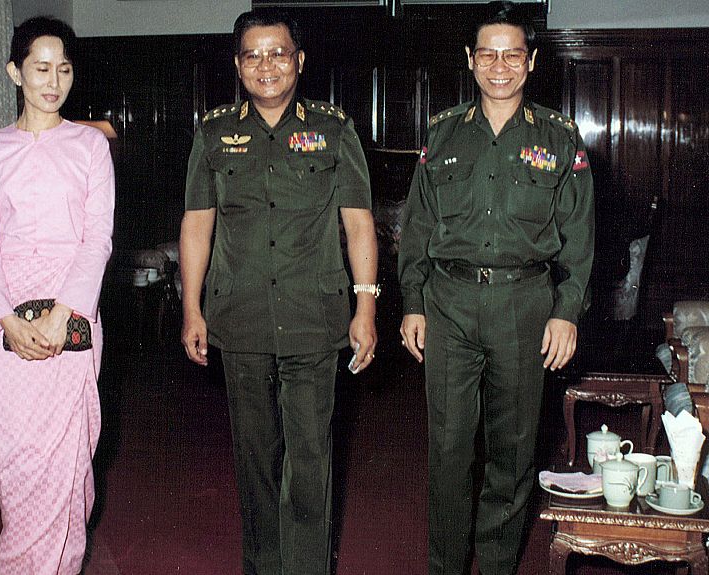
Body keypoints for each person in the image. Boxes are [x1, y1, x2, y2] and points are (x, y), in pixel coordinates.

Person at [398, 2, 595, 574]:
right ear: (470, 60)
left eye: (513, 54)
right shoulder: (442, 133)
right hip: (449, 304)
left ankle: (498, 566)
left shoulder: (559, 137)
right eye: (488, 53)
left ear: (531, 62)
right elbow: (416, 227)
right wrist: (412, 302)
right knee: (449, 453)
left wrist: (567, 311)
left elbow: (580, 238)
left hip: (524, 305)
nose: (500, 66)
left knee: (512, 456)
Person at [180, 9, 378, 575]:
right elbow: (197, 224)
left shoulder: (335, 129)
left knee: (311, 458)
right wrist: (192, 308)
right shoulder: (213, 132)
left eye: (278, 53)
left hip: (314, 318)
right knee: (255, 459)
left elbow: (358, 223)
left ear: (299, 61)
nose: (266, 65)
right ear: (239, 66)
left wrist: (365, 307)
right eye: (253, 55)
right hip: (239, 318)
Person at [0, 16, 114, 574]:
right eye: (41, 68)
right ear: (15, 72)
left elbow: (96, 238)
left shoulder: (88, 147)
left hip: (70, 314)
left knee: (63, 467)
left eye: (65, 69)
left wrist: (63, 313)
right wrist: (4, 318)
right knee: (15, 463)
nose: (54, 82)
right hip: (3, 322)